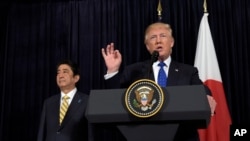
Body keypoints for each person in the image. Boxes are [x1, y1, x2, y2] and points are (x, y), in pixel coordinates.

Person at [101, 22, 216, 141]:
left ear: (172, 42)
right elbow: (115, 99)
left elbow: (200, 88)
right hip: (142, 135)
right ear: (147, 46)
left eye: (163, 36)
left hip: (182, 136)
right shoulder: (133, 71)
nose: (158, 41)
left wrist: (206, 95)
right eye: (153, 37)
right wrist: (113, 71)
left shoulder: (188, 71)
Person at [37, 60, 91, 141]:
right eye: (58, 73)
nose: (60, 75)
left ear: (76, 78)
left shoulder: (87, 101)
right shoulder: (48, 103)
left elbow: (91, 134)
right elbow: (42, 133)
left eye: (65, 72)